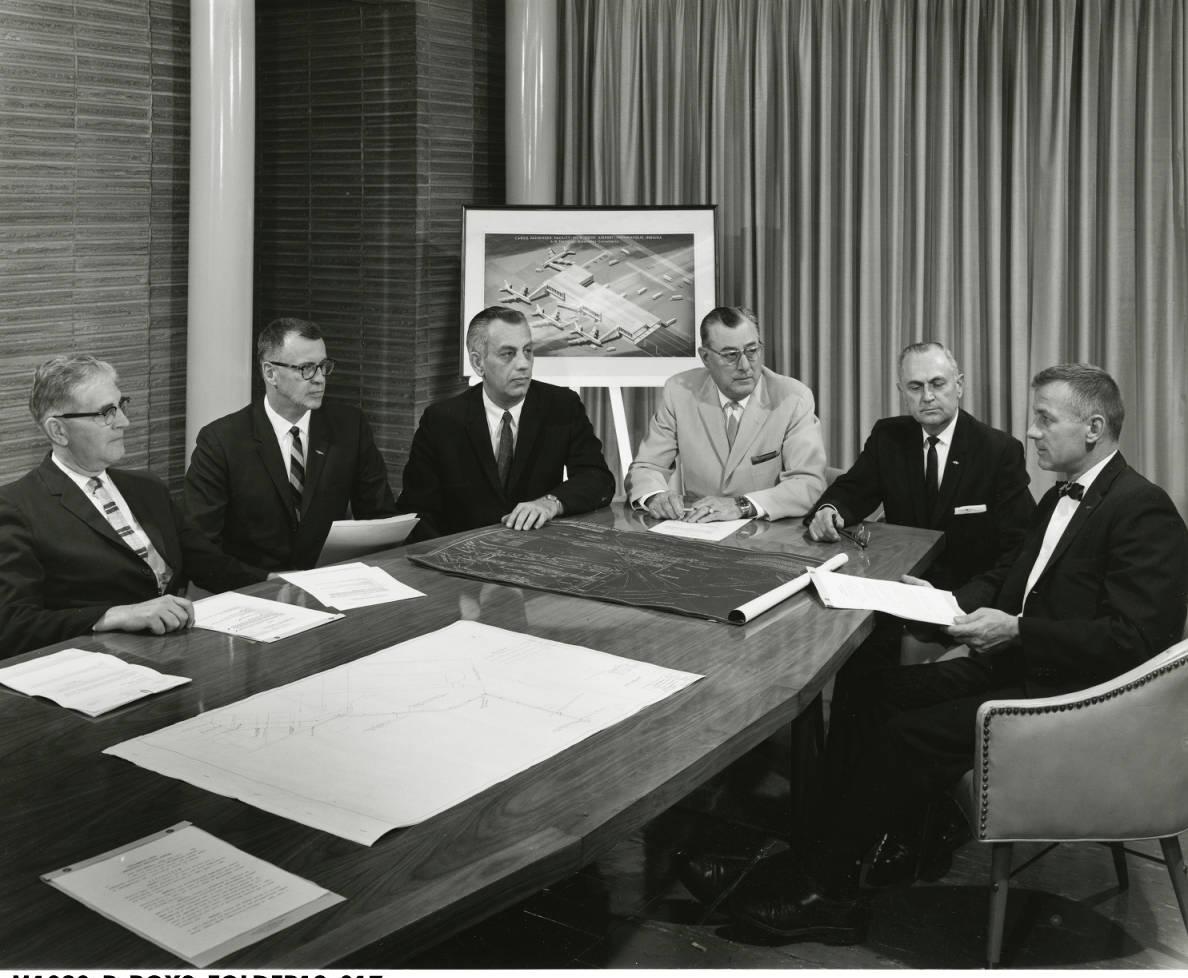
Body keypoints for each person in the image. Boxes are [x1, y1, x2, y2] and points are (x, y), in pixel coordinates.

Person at [714, 364, 1188, 944]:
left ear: (1093, 427)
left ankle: (827, 888)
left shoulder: (1144, 510)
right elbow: (1010, 574)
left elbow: (1137, 641)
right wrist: (946, 602)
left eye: (1044, 419)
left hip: (1069, 702)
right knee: (867, 690)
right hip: (1026, 668)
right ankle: (823, 849)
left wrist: (1017, 630)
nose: (1032, 432)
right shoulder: (1061, 495)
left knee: (905, 734)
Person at [0, 355, 267, 658]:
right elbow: (11, 626)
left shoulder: (147, 488)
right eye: (106, 413)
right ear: (58, 431)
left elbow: (211, 566)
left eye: (121, 406)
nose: (124, 422)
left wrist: (283, 585)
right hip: (93, 671)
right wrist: (113, 615)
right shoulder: (16, 508)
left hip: (175, 657)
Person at [806, 341, 1034, 591]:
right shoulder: (888, 436)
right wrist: (829, 510)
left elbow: (1020, 547)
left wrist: (959, 600)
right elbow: (853, 490)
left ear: (959, 386)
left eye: (938, 384)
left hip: (962, 594)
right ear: (901, 391)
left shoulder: (998, 450)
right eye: (915, 387)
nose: (927, 396)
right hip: (898, 582)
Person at [185, 318, 398, 570]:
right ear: (270, 373)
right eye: (306, 368)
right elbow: (200, 547)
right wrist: (267, 584)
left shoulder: (349, 427)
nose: (319, 379)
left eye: (323, 366)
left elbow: (379, 518)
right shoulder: (221, 441)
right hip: (255, 589)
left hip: (332, 582)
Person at [396, 305, 615, 540]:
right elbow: (417, 511)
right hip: (463, 556)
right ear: (478, 363)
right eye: (508, 354)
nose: (523, 364)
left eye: (528, 351)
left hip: (537, 552)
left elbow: (598, 479)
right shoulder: (441, 420)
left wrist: (551, 503)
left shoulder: (561, 406)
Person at [625, 306, 826, 523]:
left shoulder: (793, 398)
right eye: (731, 355)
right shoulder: (679, 391)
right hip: (698, 529)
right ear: (705, 357)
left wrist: (741, 506)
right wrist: (655, 496)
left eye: (752, 351)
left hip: (766, 534)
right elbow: (647, 466)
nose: (745, 366)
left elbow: (808, 483)